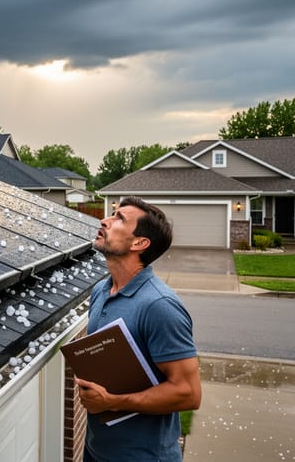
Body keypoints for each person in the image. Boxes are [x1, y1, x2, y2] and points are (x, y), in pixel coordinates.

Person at [77, 196, 201, 461]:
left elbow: (188, 394)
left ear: (139, 243)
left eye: (119, 218)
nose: (104, 220)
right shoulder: (101, 290)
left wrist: (112, 403)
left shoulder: (160, 305)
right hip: (96, 450)